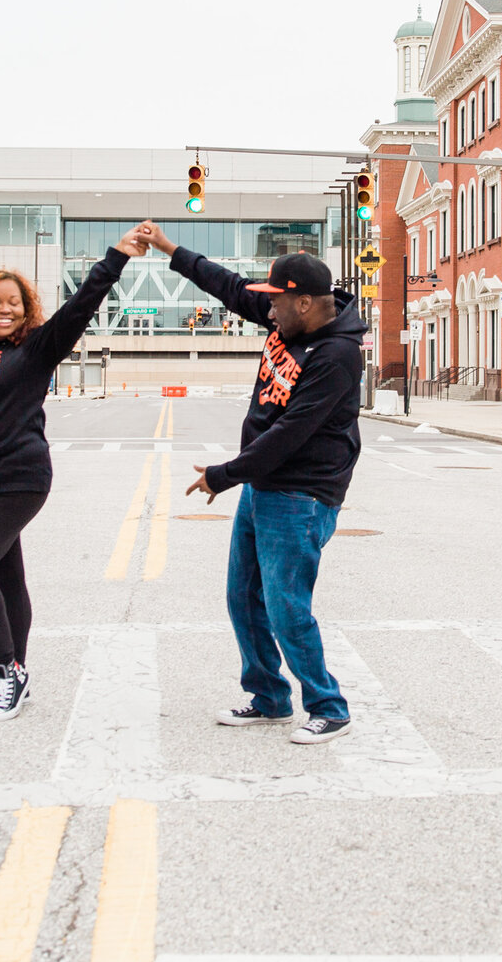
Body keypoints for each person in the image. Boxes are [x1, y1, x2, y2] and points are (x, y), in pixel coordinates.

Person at [133, 221, 363, 743]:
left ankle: (329, 705)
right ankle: (269, 697)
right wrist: (170, 248)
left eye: (275, 304)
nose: (267, 313)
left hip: (302, 493)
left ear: (302, 302)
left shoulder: (336, 354)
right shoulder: (292, 320)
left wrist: (224, 475)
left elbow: (291, 433)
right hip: (267, 486)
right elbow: (230, 286)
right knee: (243, 597)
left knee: (286, 606)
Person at [0, 230, 147, 720]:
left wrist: (115, 258)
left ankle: (5, 672)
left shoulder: (34, 349)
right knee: (4, 575)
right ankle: (15, 671)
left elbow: (80, 306)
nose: (6, 309)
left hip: (16, 477)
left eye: (14, 302)